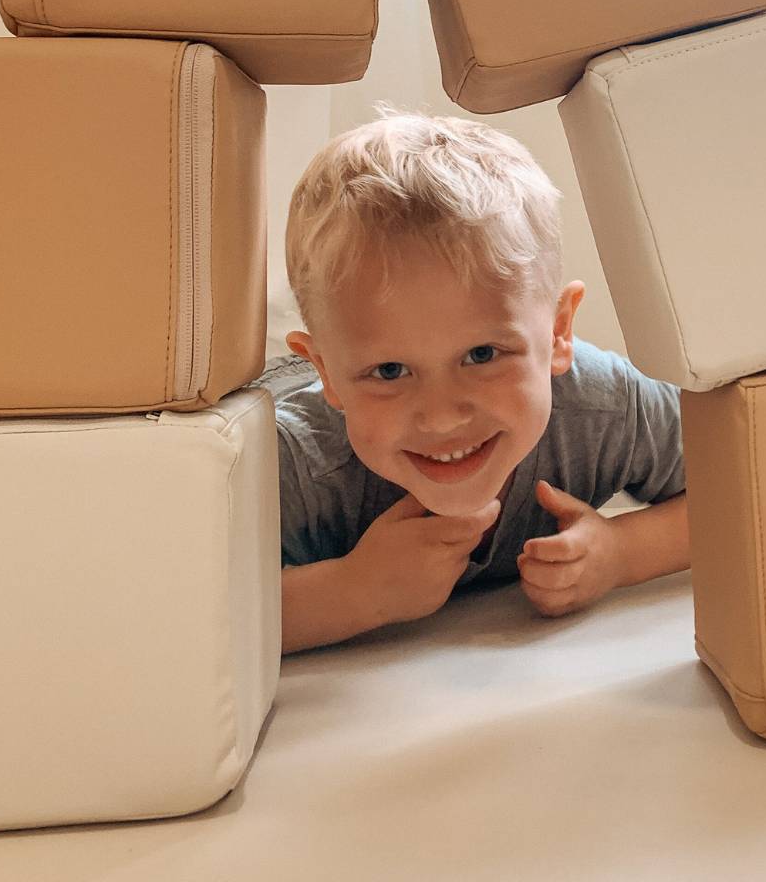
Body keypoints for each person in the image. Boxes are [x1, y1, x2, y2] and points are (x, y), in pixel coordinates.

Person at [258, 105, 688, 654]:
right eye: (389, 371)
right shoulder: (295, 463)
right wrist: (356, 592)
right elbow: (174, 622)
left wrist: (623, 553)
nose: (441, 416)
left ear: (559, 332)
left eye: (482, 354)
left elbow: (751, 479)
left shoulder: (601, 404)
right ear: (328, 374)